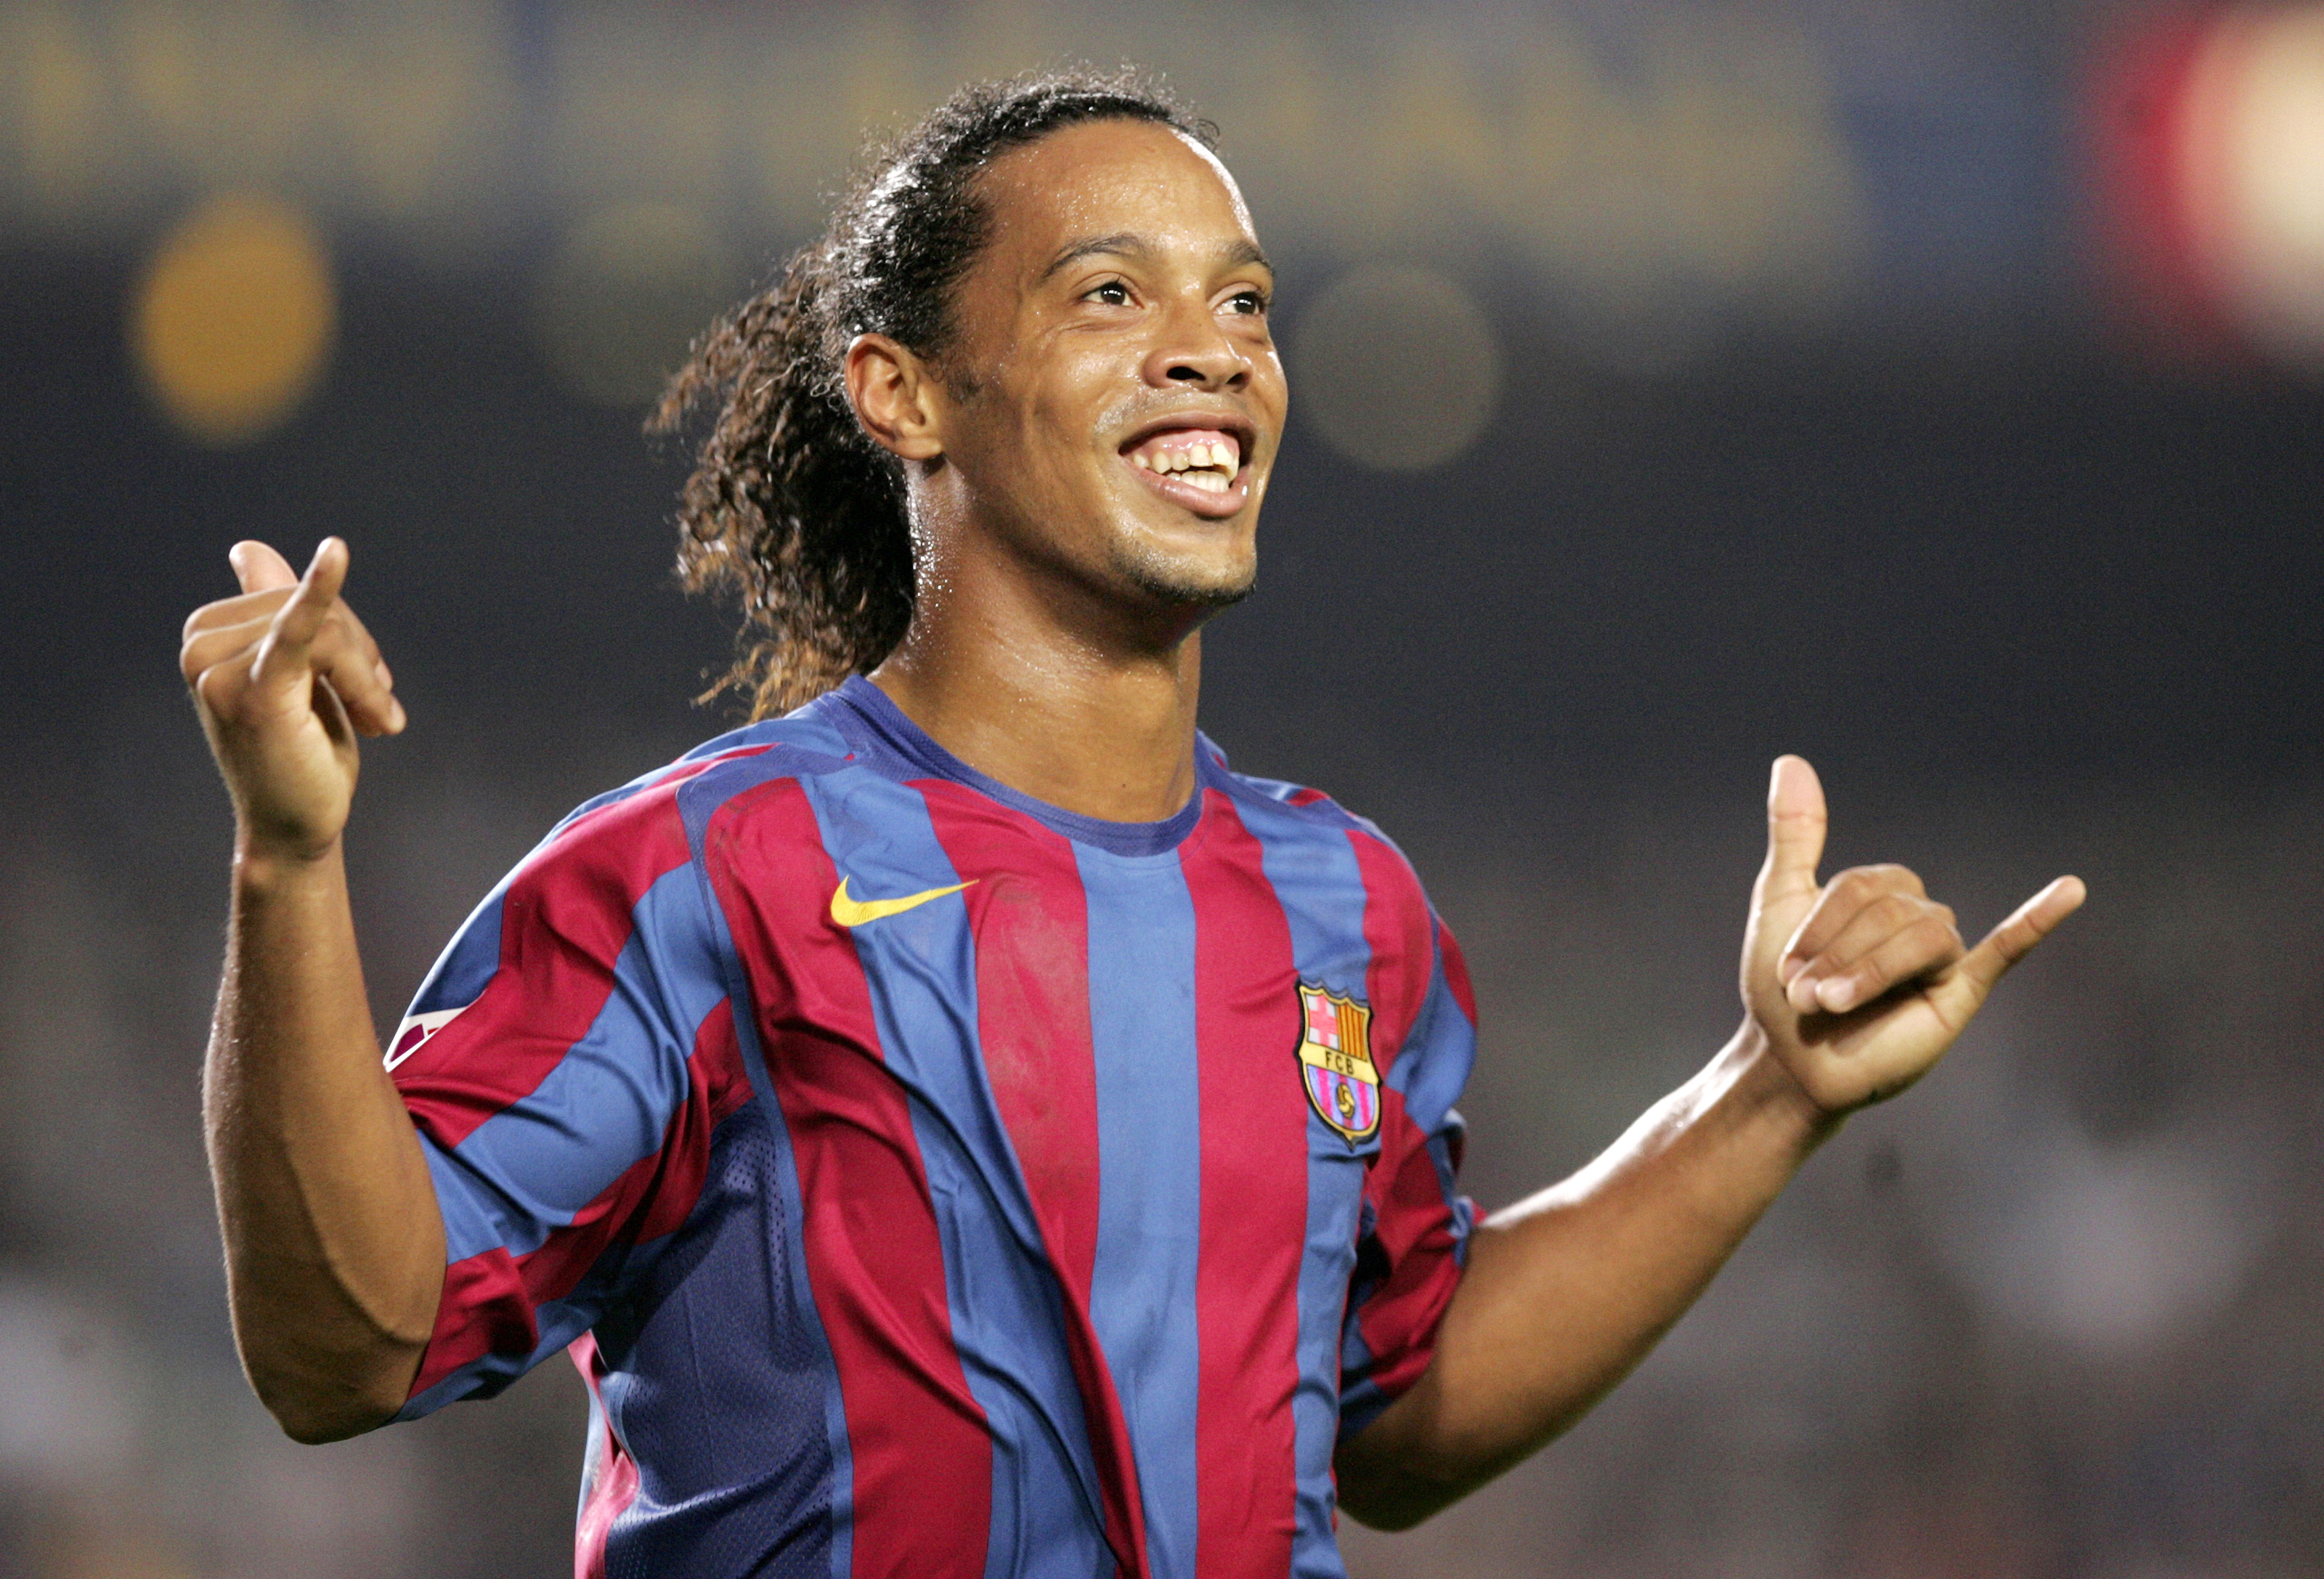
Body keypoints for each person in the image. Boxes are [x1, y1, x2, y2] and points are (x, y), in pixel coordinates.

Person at [177, 70, 2084, 1579]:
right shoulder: (703, 873)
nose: (1216, 349)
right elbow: (346, 1351)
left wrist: (1767, 1097)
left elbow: (1394, 1409)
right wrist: (288, 859)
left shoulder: (1347, 906)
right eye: (1113, 294)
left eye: (1243, 302)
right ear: (902, 392)